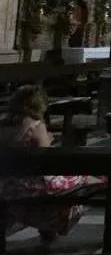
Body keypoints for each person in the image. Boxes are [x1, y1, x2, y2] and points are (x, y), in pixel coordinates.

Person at [0, 86, 103, 246]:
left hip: (6, 187)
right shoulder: (35, 126)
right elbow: (46, 161)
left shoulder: (2, 125)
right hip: (32, 190)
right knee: (84, 180)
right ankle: (50, 228)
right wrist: (49, 140)